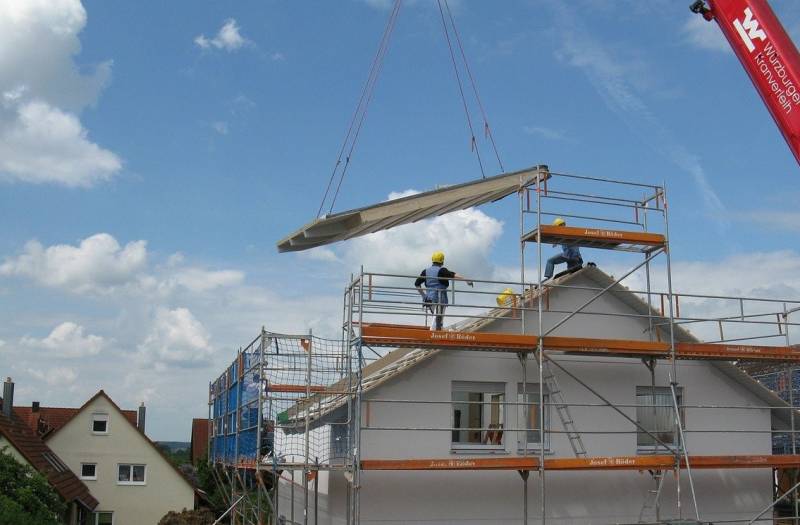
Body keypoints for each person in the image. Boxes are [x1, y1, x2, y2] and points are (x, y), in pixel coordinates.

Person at [415, 251, 473, 330]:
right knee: (438, 319)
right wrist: (466, 279)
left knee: (437, 318)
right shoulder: (442, 271)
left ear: (432, 260)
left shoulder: (425, 271)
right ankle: (434, 333)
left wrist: (424, 296)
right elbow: (453, 274)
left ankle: (438, 330)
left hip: (429, 300)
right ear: (442, 261)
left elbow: (417, 284)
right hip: (440, 299)